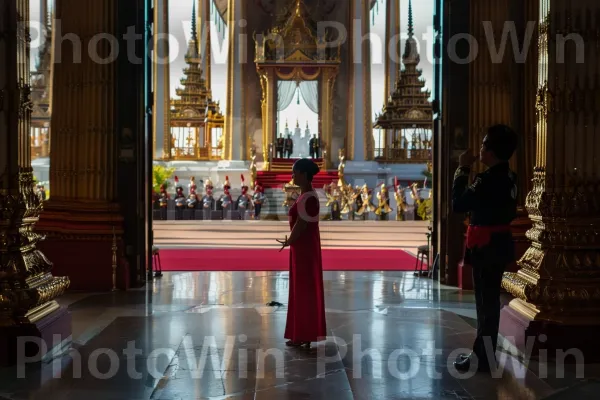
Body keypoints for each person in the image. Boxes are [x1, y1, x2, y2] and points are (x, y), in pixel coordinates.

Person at [452, 124, 518, 373]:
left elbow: (459, 203)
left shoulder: (487, 180)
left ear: (490, 152)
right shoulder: (510, 177)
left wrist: (463, 168)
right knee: (489, 301)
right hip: (498, 245)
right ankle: (486, 355)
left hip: (487, 246)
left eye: (483, 144)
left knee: (485, 303)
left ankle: (483, 357)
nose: (479, 148)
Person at [276, 158, 326, 348]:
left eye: (294, 173)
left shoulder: (308, 197)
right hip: (302, 246)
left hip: (304, 247)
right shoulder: (305, 195)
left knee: (304, 289)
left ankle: (304, 333)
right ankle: (300, 333)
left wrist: (290, 240)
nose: (292, 176)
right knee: (300, 289)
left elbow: (302, 223)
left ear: (304, 175)